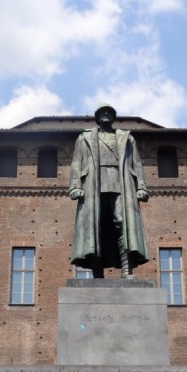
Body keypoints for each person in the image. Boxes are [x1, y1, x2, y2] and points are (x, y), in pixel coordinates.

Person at [69, 105, 149, 278]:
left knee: (123, 223)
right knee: (96, 225)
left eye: (109, 113)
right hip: (93, 184)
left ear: (113, 117)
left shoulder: (126, 138)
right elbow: (76, 163)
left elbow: (137, 164)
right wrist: (75, 185)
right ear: (97, 118)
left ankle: (127, 270)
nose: (106, 115)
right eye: (102, 113)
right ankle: (97, 271)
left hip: (121, 183)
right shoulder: (84, 138)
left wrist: (141, 186)